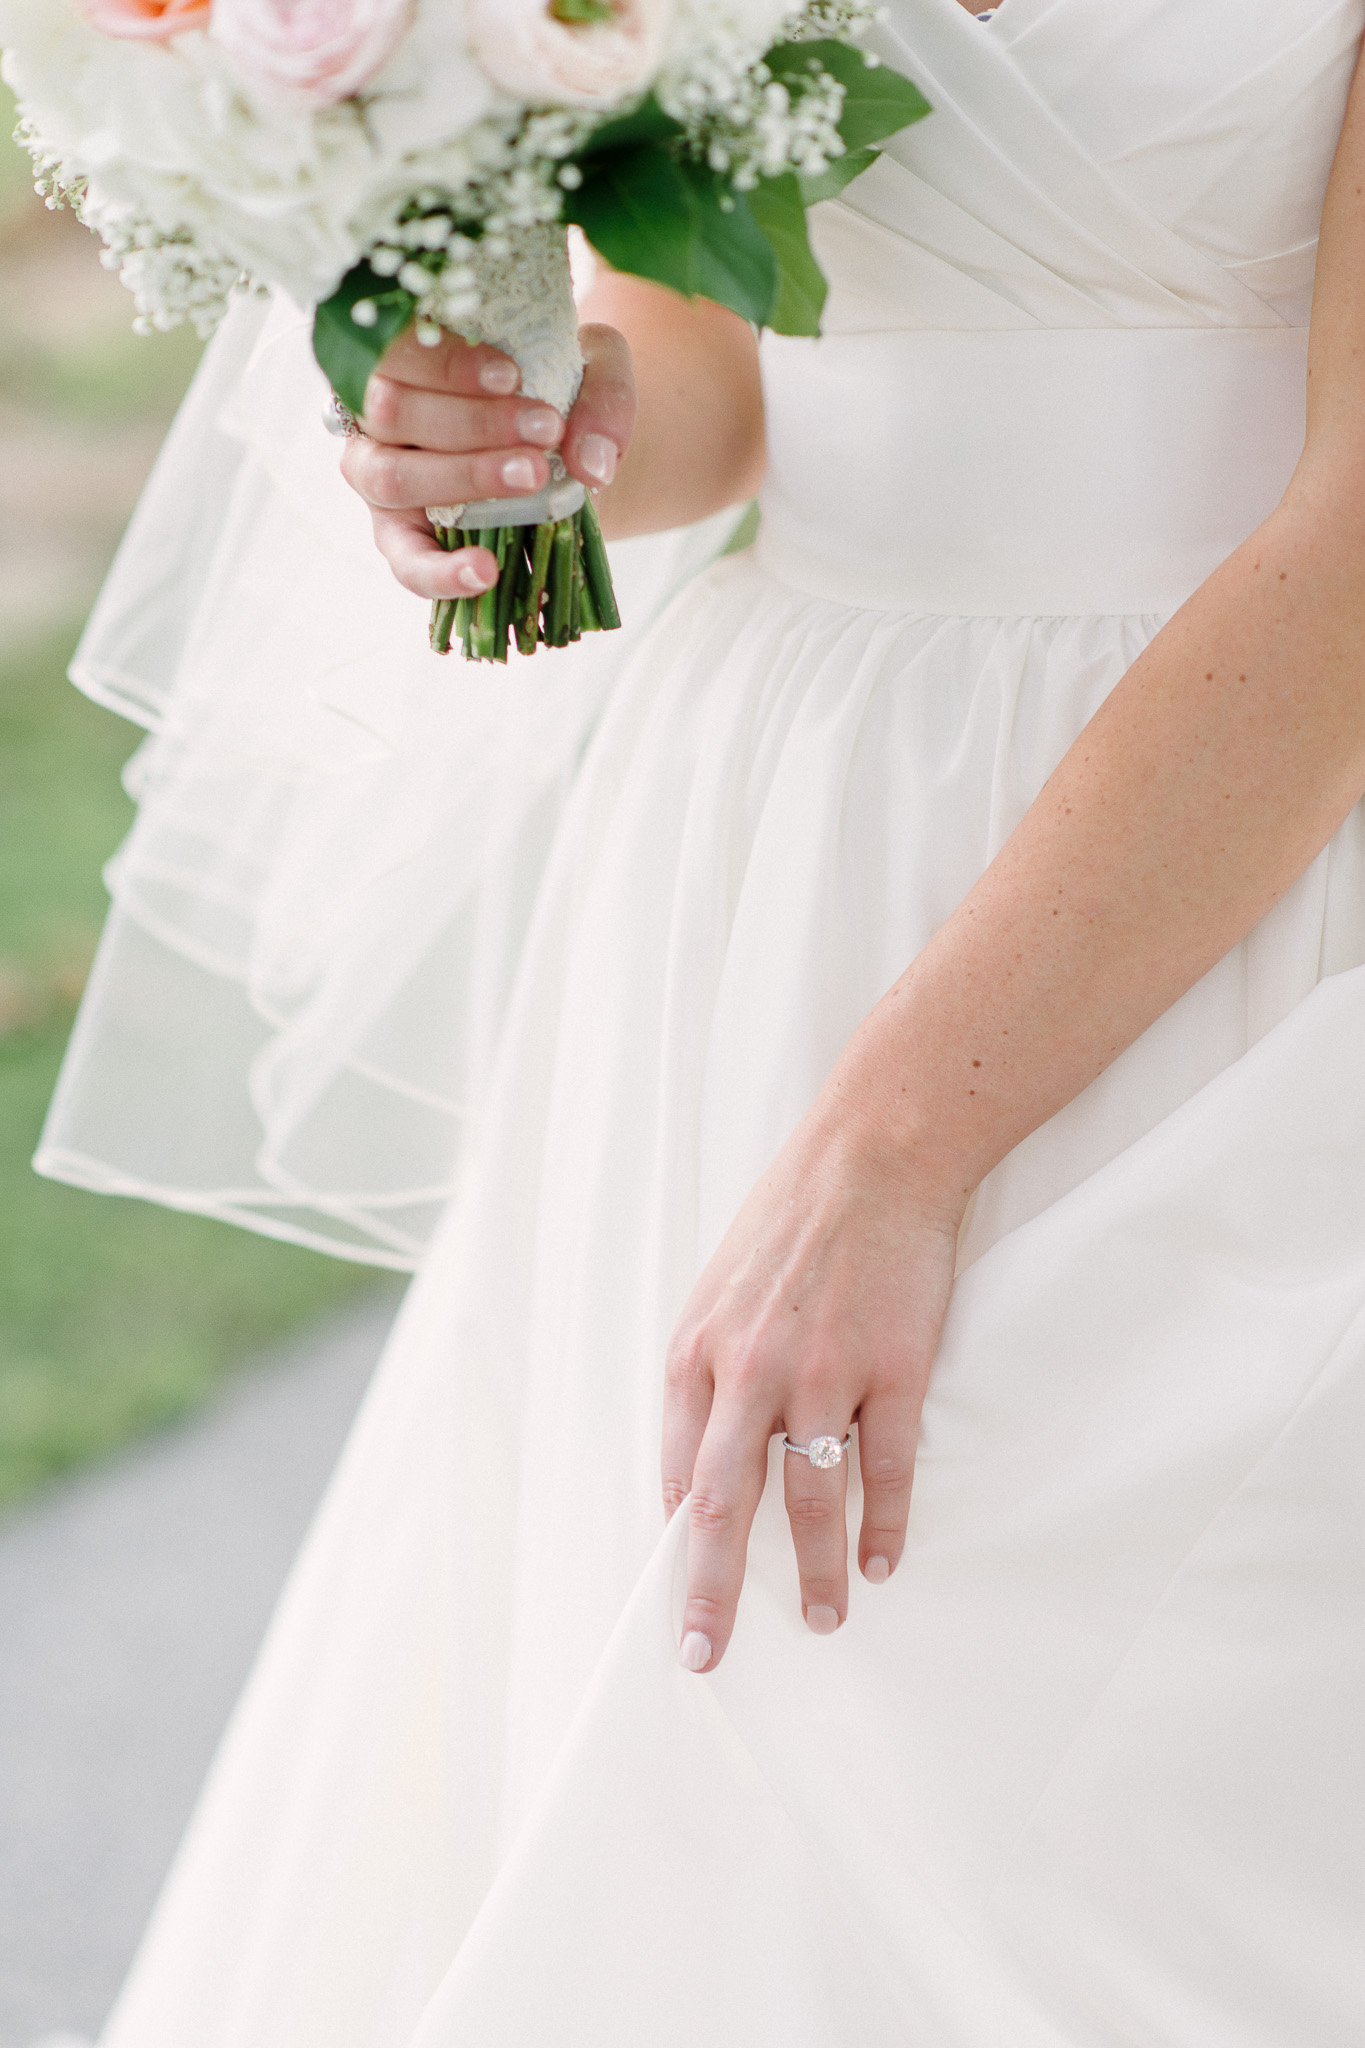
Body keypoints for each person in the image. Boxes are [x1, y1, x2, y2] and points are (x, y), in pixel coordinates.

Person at [36, 0, 1365, 2040]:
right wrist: (530, 424)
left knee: (1113, 1793)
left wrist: (889, 1148)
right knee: (699, 1779)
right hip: (776, 851)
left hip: (1245, 870)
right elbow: (720, 367)